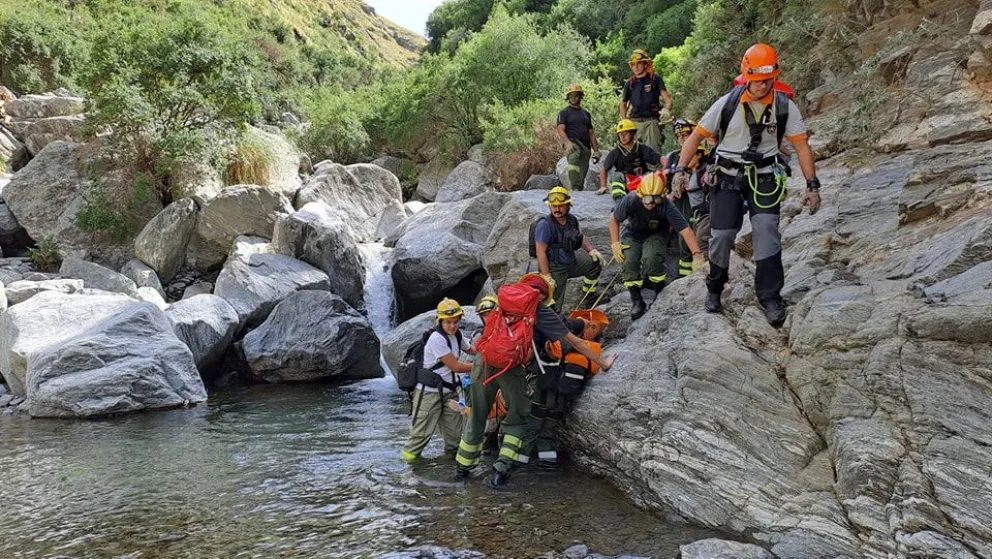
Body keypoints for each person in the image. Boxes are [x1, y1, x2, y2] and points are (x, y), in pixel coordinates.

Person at [672, 43, 822, 327]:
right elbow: (696, 137)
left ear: (775, 76)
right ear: (746, 77)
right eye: (757, 81)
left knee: (766, 232)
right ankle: (715, 287)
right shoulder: (726, 104)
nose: (762, 85)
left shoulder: (783, 106)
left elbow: (801, 147)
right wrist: (681, 169)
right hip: (727, 176)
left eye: (768, 80)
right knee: (722, 236)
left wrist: (812, 185)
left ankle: (769, 297)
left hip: (764, 175)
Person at [455, 273, 617, 488]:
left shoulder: (503, 300)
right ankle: (500, 471)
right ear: (540, 295)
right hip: (509, 367)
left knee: (477, 414)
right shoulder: (539, 309)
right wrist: (603, 362)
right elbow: (575, 342)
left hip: (482, 362)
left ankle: (462, 470)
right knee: (518, 417)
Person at [609, 173, 704, 320]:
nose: (651, 204)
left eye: (656, 200)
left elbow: (685, 229)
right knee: (629, 261)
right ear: (640, 195)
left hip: (657, 233)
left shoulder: (666, 205)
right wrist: (615, 243)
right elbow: (614, 219)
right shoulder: (631, 199)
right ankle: (637, 301)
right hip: (633, 233)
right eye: (647, 199)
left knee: (651, 258)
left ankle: (659, 292)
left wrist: (697, 254)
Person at [525, 309, 609, 470]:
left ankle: (521, 462)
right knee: (549, 427)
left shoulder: (558, 331)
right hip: (562, 389)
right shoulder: (589, 346)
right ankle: (546, 462)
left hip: (545, 383)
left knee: (534, 423)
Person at [400, 298, 475, 464]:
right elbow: (455, 366)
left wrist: (491, 351)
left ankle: (448, 468)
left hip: (451, 393)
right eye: (448, 322)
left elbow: (471, 350)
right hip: (429, 393)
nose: (452, 326)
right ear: (440, 321)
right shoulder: (436, 339)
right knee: (419, 436)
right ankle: (407, 470)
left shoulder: (458, 335)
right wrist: (481, 365)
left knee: (455, 438)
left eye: (456, 321)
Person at [531, 186, 605, 311]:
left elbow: (580, 236)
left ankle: (589, 296)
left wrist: (591, 250)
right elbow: (540, 251)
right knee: (555, 303)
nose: (557, 209)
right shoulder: (545, 225)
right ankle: (555, 325)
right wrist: (547, 276)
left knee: (594, 264)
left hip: (571, 261)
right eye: (554, 206)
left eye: (560, 206)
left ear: (568, 205)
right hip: (555, 268)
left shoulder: (572, 220)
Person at [664, 117, 713, 276]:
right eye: (678, 135)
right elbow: (665, 178)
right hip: (679, 203)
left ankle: (699, 273)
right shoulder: (673, 157)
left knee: (699, 241)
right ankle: (684, 277)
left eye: (685, 135)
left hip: (701, 205)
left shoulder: (705, 156)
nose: (681, 139)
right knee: (683, 241)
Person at [619, 49, 672, 155]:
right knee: (633, 157)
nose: (636, 66)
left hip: (651, 122)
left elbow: (668, 100)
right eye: (633, 64)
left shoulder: (655, 79)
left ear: (645, 64)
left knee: (654, 155)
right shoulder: (630, 83)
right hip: (634, 123)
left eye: (639, 63)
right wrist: (624, 121)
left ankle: (656, 172)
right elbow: (623, 103)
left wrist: (666, 110)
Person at [597, 119, 663, 201]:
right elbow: (604, 169)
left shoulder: (641, 148)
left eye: (625, 133)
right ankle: (620, 201)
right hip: (625, 184)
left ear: (632, 133)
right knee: (616, 175)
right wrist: (603, 186)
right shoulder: (615, 152)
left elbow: (659, 158)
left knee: (652, 175)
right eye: (620, 134)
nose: (623, 137)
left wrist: (667, 167)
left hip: (641, 181)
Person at [557, 84, 600, 190]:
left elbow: (591, 133)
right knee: (573, 158)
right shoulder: (564, 113)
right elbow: (560, 129)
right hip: (572, 142)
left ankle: (578, 189)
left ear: (580, 96)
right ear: (568, 98)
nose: (573, 98)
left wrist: (596, 151)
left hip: (585, 145)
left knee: (584, 169)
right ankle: (575, 187)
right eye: (570, 96)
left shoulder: (586, 114)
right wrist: (567, 143)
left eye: (576, 95)